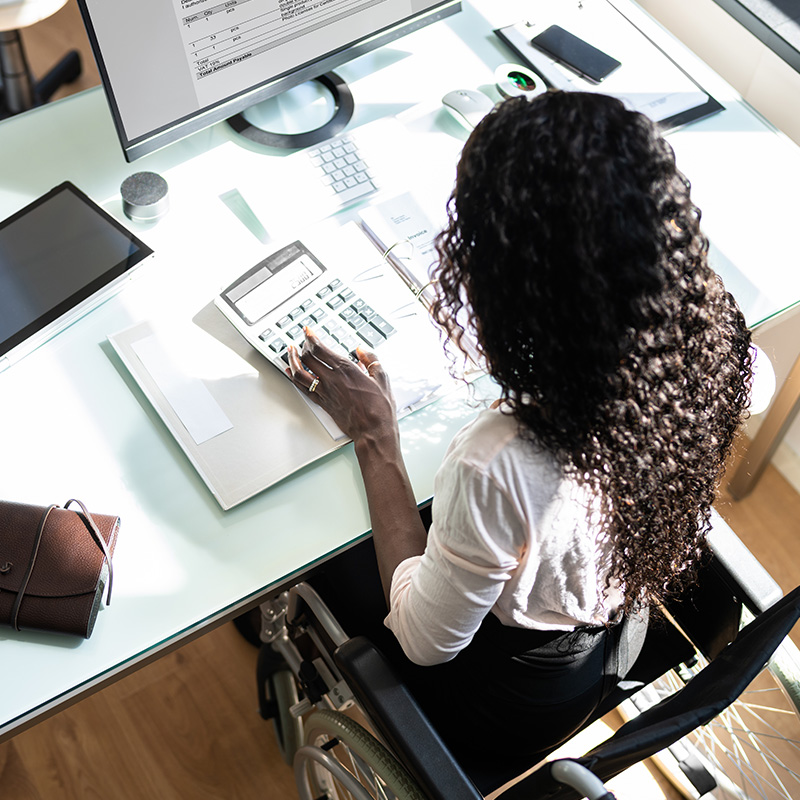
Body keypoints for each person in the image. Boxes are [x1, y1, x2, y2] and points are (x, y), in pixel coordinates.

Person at [285, 90, 753, 789]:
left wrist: (376, 436)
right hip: (612, 632)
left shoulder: (501, 461)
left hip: (500, 702)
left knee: (317, 550)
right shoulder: (719, 344)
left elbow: (423, 642)